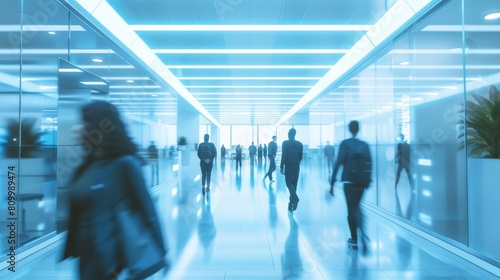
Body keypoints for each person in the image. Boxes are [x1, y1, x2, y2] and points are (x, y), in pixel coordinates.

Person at [62, 100, 168, 279]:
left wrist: (161, 253)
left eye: (83, 122)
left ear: (97, 127)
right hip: (84, 255)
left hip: (107, 260)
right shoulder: (86, 165)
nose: (76, 128)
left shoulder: (124, 165)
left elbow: (147, 209)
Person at [330, 120, 371, 254]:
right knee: (357, 206)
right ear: (358, 129)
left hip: (349, 181)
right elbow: (370, 162)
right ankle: (362, 231)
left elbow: (338, 163)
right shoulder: (364, 145)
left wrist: (332, 182)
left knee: (351, 210)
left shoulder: (345, 144)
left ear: (349, 129)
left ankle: (354, 239)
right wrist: (368, 180)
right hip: (362, 182)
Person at [280, 129, 303, 212]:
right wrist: (296, 161)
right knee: (294, 185)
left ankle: (296, 198)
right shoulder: (300, 144)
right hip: (297, 166)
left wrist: (281, 166)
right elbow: (300, 157)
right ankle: (290, 205)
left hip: (288, 166)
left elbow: (284, 155)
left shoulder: (285, 143)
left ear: (289, 134)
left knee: (289, 183)